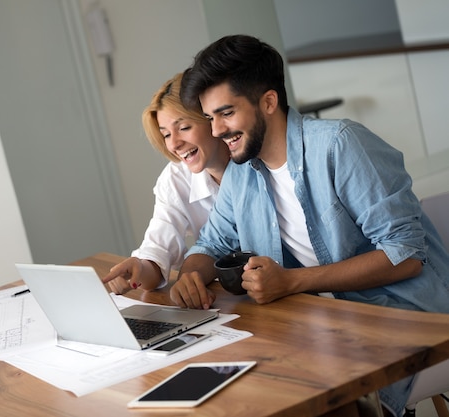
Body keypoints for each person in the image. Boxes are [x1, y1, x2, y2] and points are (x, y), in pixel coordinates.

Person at [172, 34, 449, 416]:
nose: (217, 130)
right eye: (209, 118)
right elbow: (212, 244)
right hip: (322, 323)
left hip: (403, 318)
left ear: (268, 102)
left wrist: (292, 281)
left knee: (299, 396)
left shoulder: (340, 145)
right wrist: (190, 275)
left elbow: (404, 256)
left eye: (226, 113)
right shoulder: (243, 171)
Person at [102, 72, 229, 295]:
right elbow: (158, 250)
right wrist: (138, 269)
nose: (175, 144)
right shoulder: (175, 179)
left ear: (211, 119)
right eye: (166, 134)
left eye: (184, 128)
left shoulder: (255, 164)